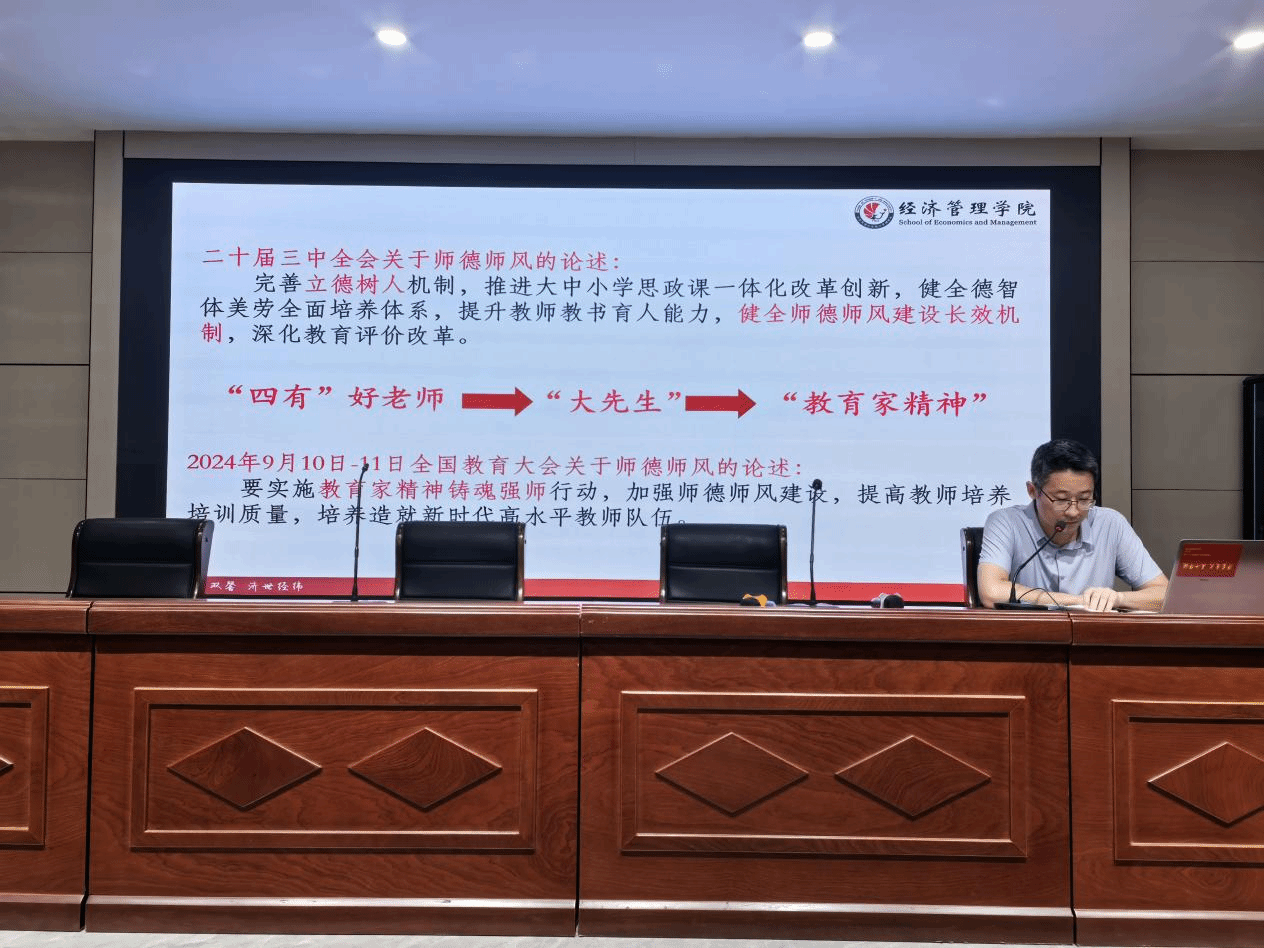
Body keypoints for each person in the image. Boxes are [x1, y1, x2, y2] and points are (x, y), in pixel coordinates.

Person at [977, 439, 1168, 611]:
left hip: (1092, 636)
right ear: (1033, 491)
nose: (1074, 512)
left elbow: (1164, 595)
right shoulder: (1006, 522)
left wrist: (1117, 599)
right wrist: (1079, 602)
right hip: (1029, 635)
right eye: (1061, 500)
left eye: (1084, 499)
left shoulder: (1110, 524)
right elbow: (991, 592)